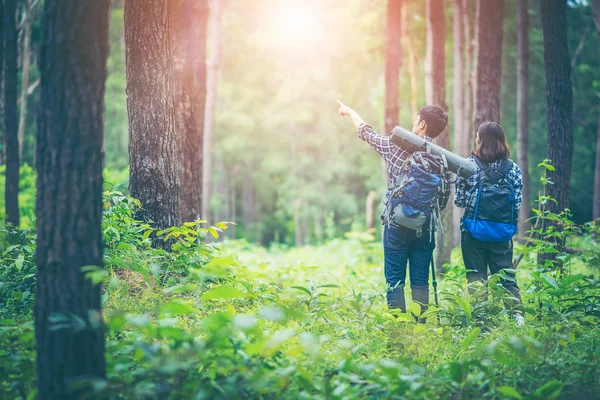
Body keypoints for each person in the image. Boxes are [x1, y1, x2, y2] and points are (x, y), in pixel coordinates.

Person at [336, 99, 450, 319]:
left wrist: (350, 111)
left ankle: (397, 331)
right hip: (424, 229)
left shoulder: (396, 146)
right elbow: (443, 199)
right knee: (420, 283)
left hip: (396, 225)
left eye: (417, 118)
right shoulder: (442, 158)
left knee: (395, 281)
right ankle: (419, 331)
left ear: (423, 123)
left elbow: (365, 131)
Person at [454, 121, 525, 326]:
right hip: (502, 234)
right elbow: (517, 203)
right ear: (502, 141)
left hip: (473, 232)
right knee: (505, 277)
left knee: (476, 278)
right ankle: (517, 317)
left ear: (480, 140)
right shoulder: (513, 169)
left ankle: (481, 322)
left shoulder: (468, 165)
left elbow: (459, 201)